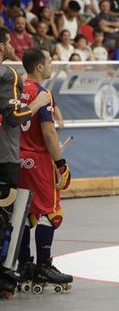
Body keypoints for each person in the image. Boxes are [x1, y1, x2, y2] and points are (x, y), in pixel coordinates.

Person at [16, 48, 73, 291]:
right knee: (50, 211)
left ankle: (25, 265)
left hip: (18, 158)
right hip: (39, 160)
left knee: (25, 213)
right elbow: (49, 133)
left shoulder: (18, 90)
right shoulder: (42, 93)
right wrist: (61, 164)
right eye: (49, 61)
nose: (52, 64)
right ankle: (44, 265)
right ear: (39, 67)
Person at [0, 28, 51, 298]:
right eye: (8, 41)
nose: (12, 45)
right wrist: (38, 102)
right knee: (9, 218)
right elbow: (13, 116)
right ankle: (9, 276)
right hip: (6, 157)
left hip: (12, 155)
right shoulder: (9, 75)